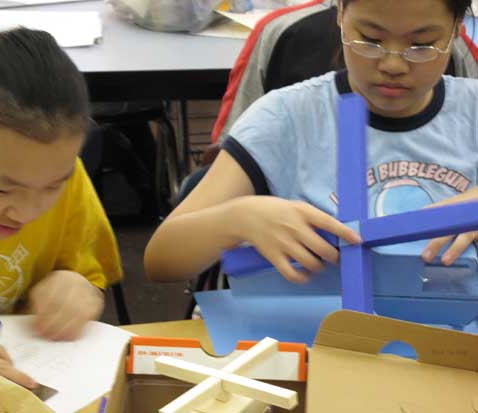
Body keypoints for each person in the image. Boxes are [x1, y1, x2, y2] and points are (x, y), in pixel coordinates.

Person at [144, 0, 478, 285]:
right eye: (370, 39)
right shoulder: (284, 118)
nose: (392, 64)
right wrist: (237, 218)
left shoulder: (472, 111)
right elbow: (161, 260)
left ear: (456, 28)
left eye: (422, 45)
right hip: (315, 344)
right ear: (340, 14)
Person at [0, 28, 122, 388]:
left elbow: (88, 279)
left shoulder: (56, 169)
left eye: (52, 186)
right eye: (3, 188)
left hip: (19, 375)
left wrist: (79, 288)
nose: (28, 212)